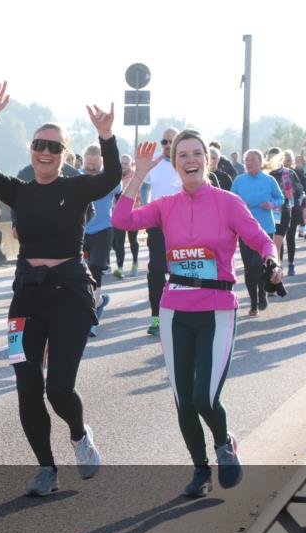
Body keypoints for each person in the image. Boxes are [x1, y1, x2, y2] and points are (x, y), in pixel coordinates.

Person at [113, 134, 281, 497]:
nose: (190, 160)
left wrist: (273, 260)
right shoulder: (166, 205)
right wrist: (139, 174)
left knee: (205, 396)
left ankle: (224, 443)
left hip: (217, 310)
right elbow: (122, 219)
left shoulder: (228, 203)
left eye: (196, 154)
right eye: (182, 155)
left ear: (209, 160)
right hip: (174, 310)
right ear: (175, 164)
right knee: (183, 399)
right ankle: (200, 470)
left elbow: (260, 239)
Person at [0, 80, 119, 497]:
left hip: (70, 292)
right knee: (25, 384)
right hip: (28, 294)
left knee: (58, 388)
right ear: (31, 149)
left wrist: (105, 136)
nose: (45, 151)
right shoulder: (19, 190)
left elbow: (109, 175)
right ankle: (45, 468)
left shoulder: (75, 188)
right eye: (40, 144)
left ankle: (78, 433)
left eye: (54, 147)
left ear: (64, 155)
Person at [231, 149, 284, 315]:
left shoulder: (269, 180)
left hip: (265, 227)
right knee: (249, 267)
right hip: (245, 229)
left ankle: (262, 293)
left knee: (260, 265)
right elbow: (231, 201)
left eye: (253, 160)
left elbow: (280, 198)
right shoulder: (239, 180)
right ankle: (253, 302)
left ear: (261, 162)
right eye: (247, 160)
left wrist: (272, 204)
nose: (249, 163)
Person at [142, 127, 181, 335]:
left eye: (171, 141)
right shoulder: (154, 162)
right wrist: (146, 206)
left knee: (179, 271)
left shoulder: (185, 161)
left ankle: (179, 315)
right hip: (157, 225)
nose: (167, 145)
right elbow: (144, 184)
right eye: (164, 141)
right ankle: (156, 317)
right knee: (156, 271)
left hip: (184, 226)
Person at [81, 143, 115, 334]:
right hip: (81, 230)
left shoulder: (109, 177)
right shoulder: (77, 175)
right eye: (88, 164)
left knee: (95, 268)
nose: (91, 168)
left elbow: (119, 193)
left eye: (94, 164)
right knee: (81, 274)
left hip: (103, 230)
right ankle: (99, 301)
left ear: (101, 162)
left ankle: (91, 319)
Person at [266, 148, 306, 276]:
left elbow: (301, 192)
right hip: (266, 213)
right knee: (271, 246)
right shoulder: (263, 175)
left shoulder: (288, 173)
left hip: (285, 211)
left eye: (275, 158)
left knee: (278, 243)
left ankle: (280, 270)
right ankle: (276, 269)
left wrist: (304, 211)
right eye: (269, 158)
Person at [112, 154, 141, 279]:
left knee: (133, 240)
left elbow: (139, 195)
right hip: (118, 213)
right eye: (121, 163)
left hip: (132, 213)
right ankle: (120, 269)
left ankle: (135, 263)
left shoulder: (135, 177)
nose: (123, 166)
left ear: (130, 164)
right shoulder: (115, 176)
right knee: (118, 243)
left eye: (126, 163)